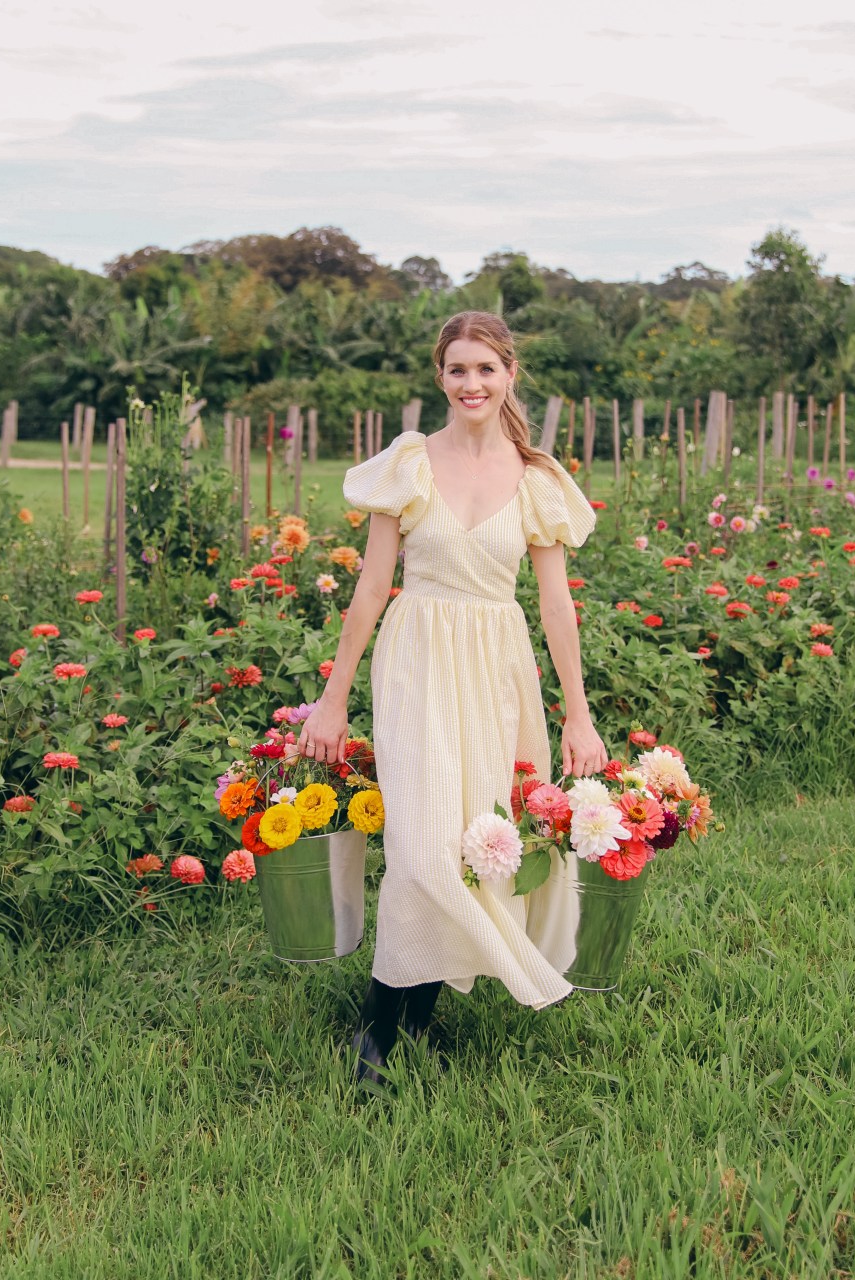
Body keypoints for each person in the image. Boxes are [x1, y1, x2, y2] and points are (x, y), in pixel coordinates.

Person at [297, 310, 607, 1084]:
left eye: (486, 369)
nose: (472, 384)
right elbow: (371, 589)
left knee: (474, 844)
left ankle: (421, 1019)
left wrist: (579, 712)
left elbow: (557, 606)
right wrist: (332, 701)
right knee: (419, 848)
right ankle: (375, 1036)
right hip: (417, 662)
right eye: (457, 369)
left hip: (498, 672)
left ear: (509, 376)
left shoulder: (536, 481)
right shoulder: (409, 465)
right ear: (440, 377)